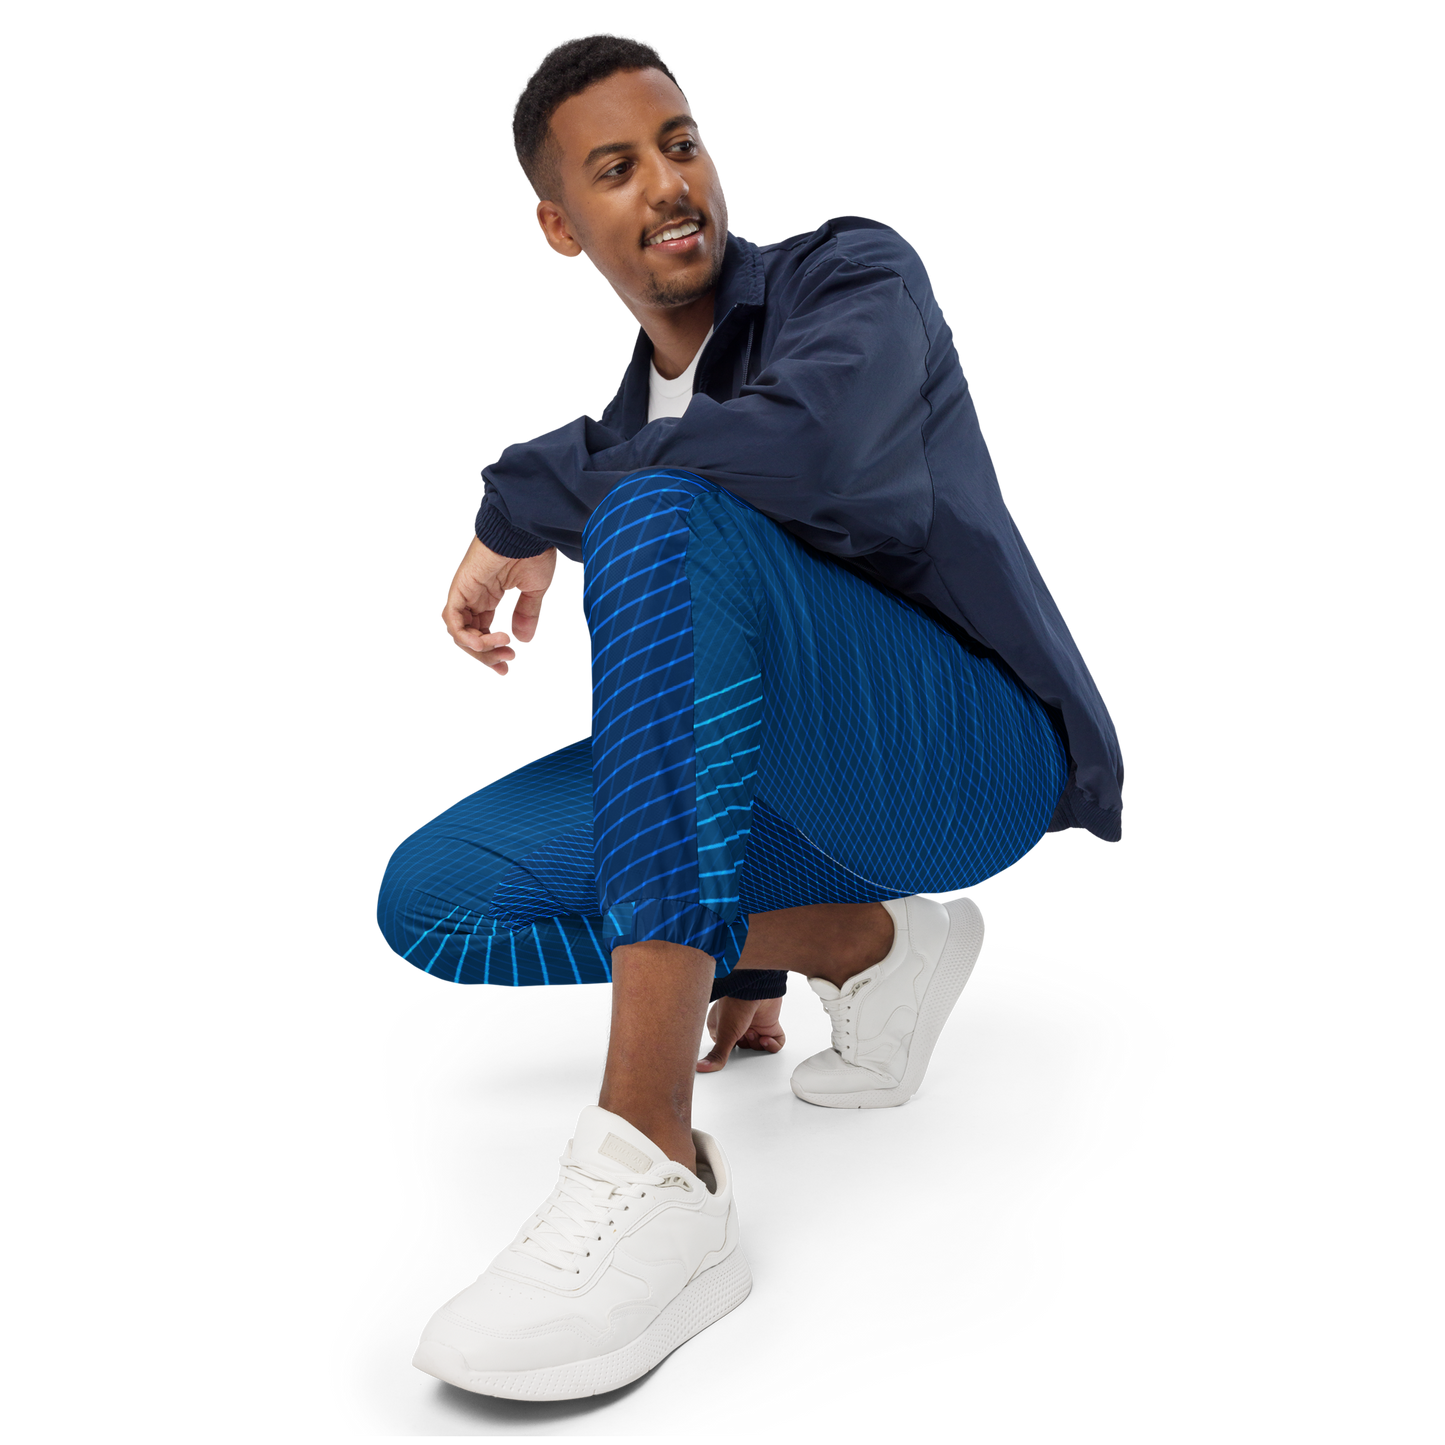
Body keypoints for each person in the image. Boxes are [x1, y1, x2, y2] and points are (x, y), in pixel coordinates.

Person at [377, 27, 1124, 1401]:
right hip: (794, 809)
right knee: (439, 897)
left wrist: (526, 499)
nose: (670, 183)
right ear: (558, 226)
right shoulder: (633, 425)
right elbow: (705, 688)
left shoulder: (855, 275)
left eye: (681, 144)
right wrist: (754, 957)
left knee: (660, 512)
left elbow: (815, 454)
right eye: (616, 168)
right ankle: (870, 944)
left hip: (966, 760)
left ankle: (651, 1164)